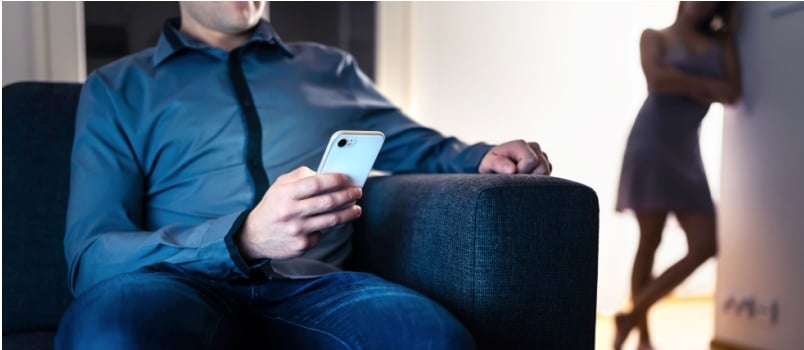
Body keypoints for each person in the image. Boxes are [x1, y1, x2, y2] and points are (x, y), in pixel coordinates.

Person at [56, 2, 552, 349]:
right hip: (173, 285)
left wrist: (483, 157)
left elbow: (421, 145)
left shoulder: (330, 68)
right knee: (110, 333)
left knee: (432, 338)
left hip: (316, 288)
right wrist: (243, 240)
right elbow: (92, 258)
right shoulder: (116, 88)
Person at [613, 2, 740, 349]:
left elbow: (731, 90)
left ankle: (632, 311)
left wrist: (682, 80)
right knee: (649, 241)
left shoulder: (724, 42)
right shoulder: (653, 37)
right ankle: (642, 335)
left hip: (686, 151)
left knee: (706, 244)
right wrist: (703, 85)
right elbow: (657, 79)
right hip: (651, 144)